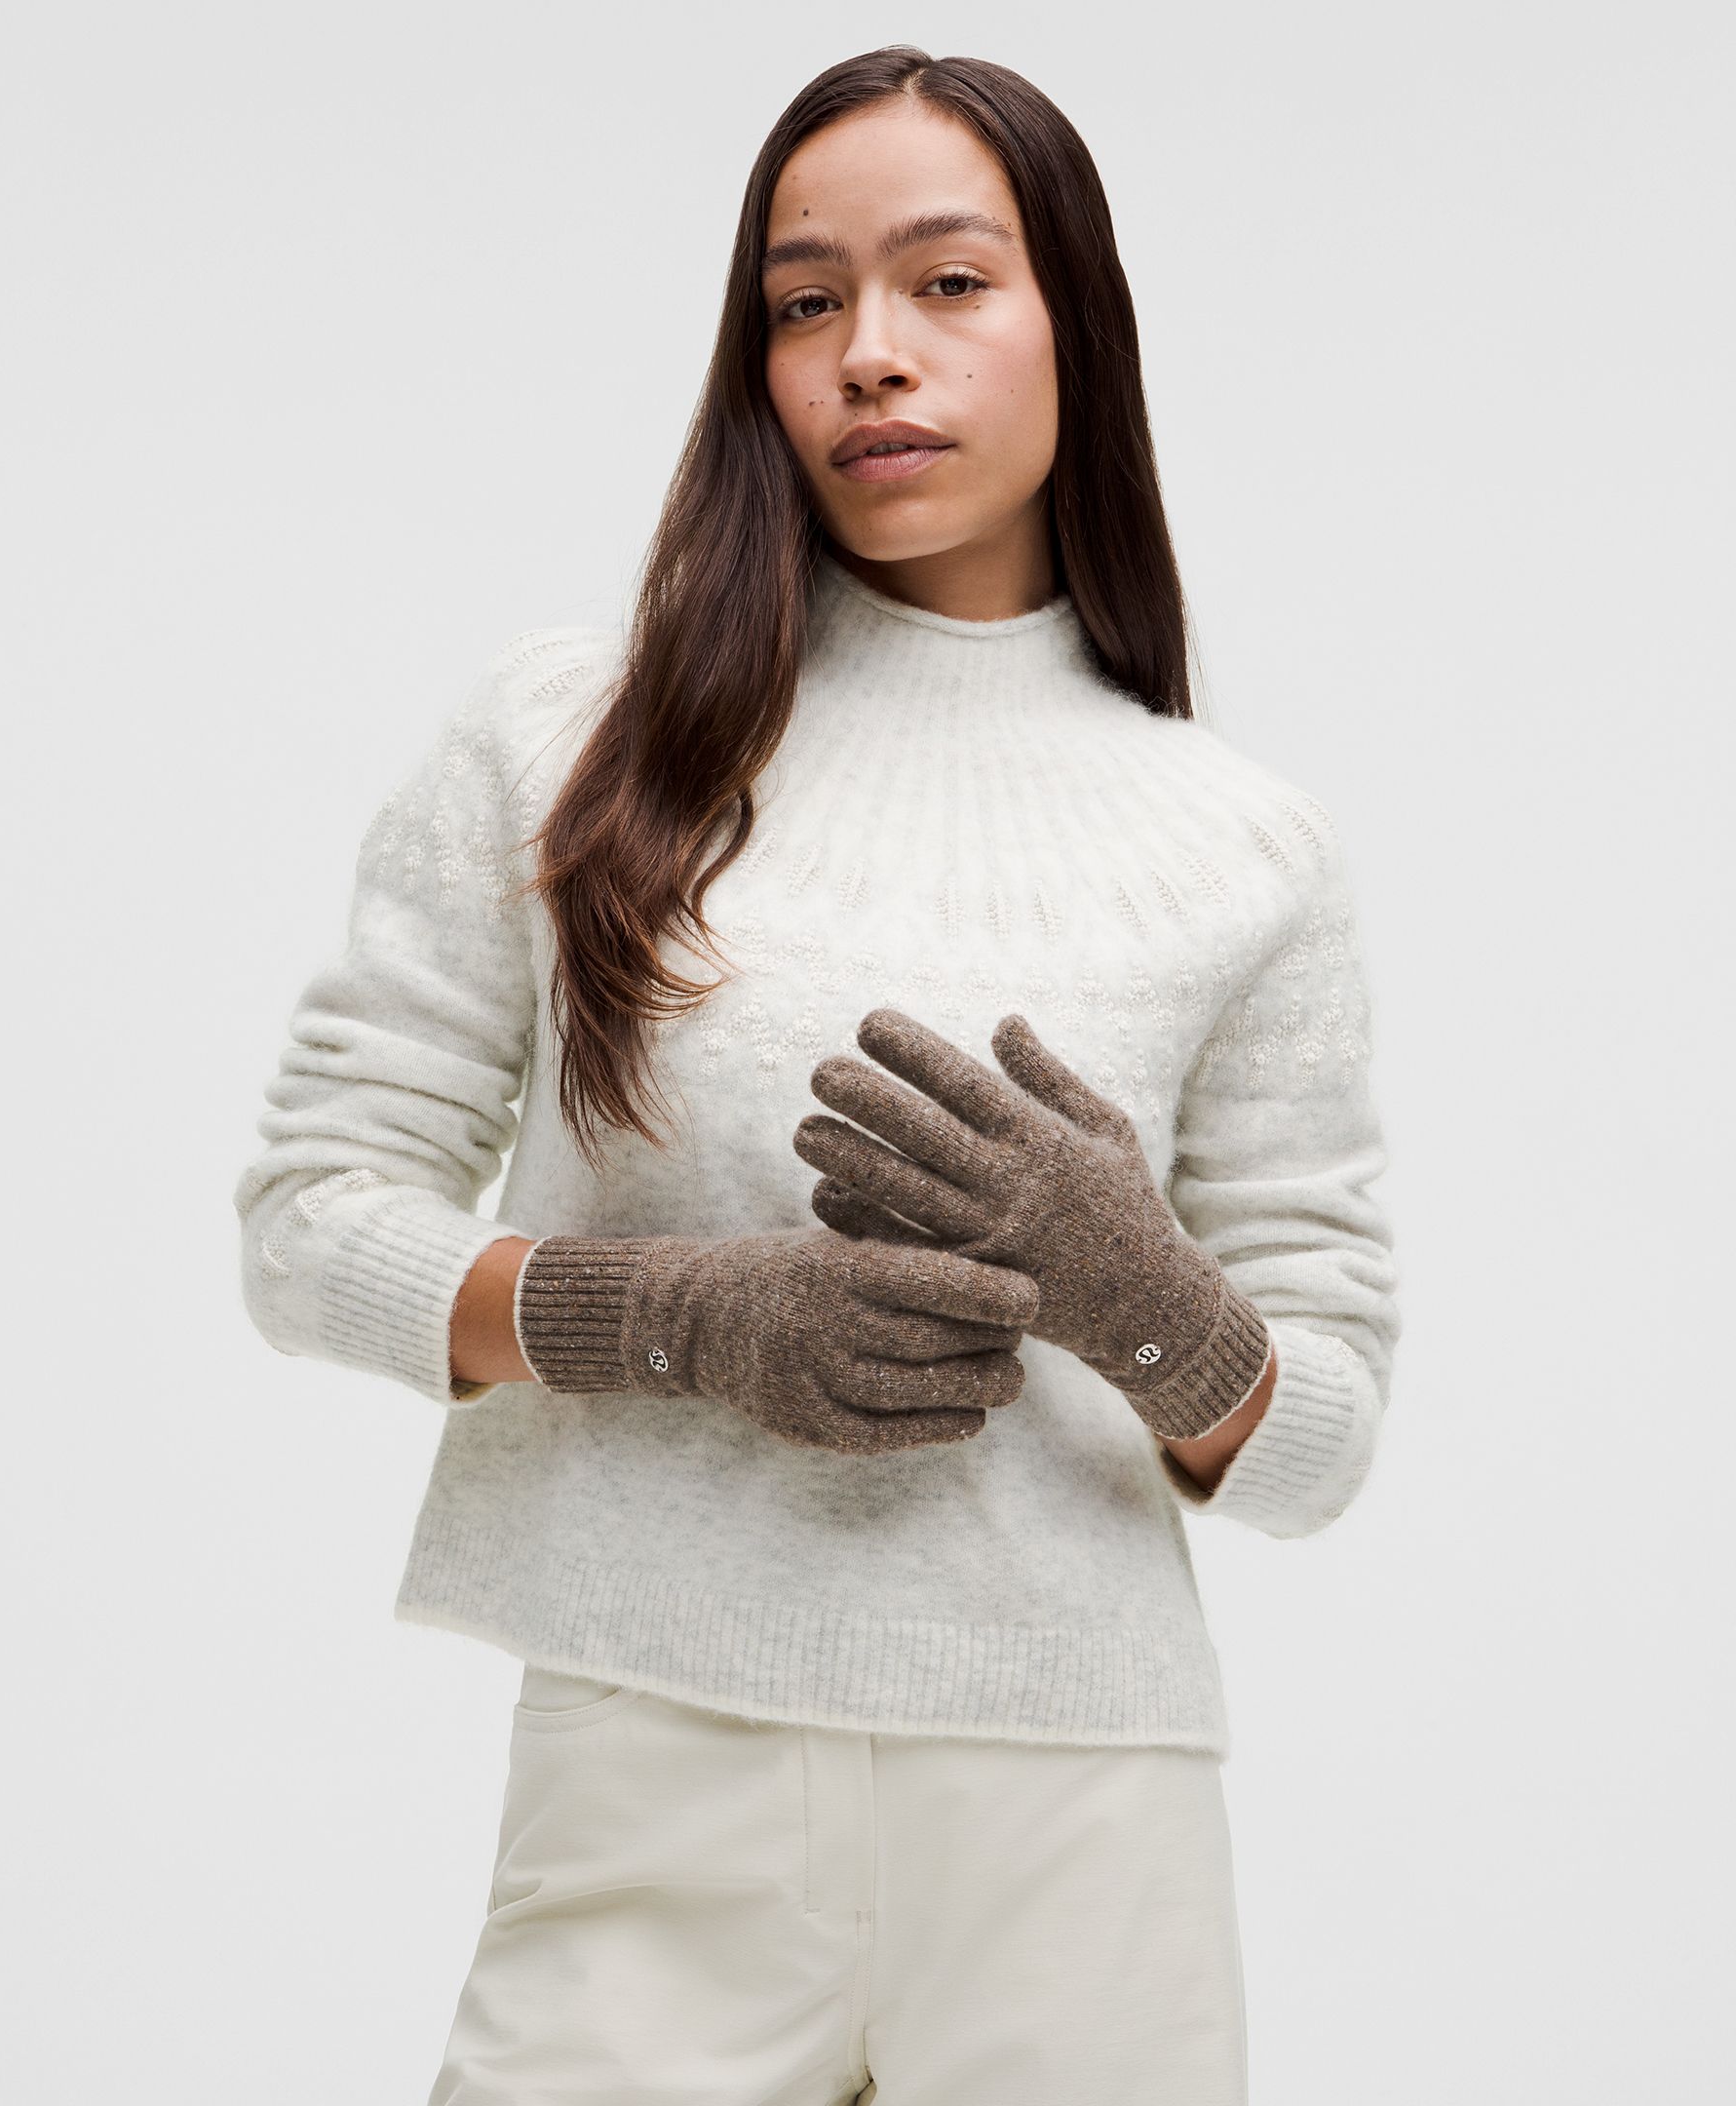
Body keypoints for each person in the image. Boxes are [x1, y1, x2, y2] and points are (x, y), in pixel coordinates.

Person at [232, 42, 1401, 2106]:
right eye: (804, 298)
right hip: (650, 1766)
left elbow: (1320, 1442)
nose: (870, 351)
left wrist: (1147, 1297)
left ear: (1075, 322)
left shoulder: (1243, 843)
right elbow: (310, 1226)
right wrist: (663, 1315)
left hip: (1081, 1818)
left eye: (949, 281)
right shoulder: (571, 743)